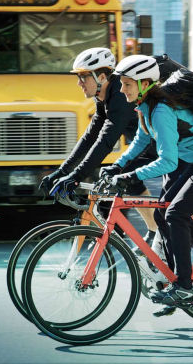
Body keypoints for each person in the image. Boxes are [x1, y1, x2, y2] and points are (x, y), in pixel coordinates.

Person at [107, 54, 193, 308]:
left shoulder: (161, 109)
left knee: (176, 214)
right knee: (162, 213)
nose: (121, 88)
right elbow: (141, 140)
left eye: (127, 83)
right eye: (122, 83)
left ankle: (184, 286)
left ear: (145, 83)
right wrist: (117, 165)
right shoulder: (146, 106)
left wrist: (131, 176)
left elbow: (168, 162)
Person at [37, 47, 162, 250]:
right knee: (126, 174)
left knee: (176, 210)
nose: (79, 83)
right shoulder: (104, 97)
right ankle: (156, 231)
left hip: (171, 148)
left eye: (83, 77)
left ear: (102, 77)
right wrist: (62, 171)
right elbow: (89, 138)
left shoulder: (120, 98)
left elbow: (105, 142)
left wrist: (75, 176)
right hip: (150, 144)